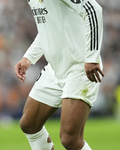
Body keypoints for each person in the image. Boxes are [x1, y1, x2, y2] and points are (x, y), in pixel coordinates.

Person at [15, 0, 104, 149]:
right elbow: (48, 27)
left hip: (80, 68)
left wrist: (92, 58)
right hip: (55, 69)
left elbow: (93, 9)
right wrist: (29, 57)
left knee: (70, 139)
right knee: (29, 124)